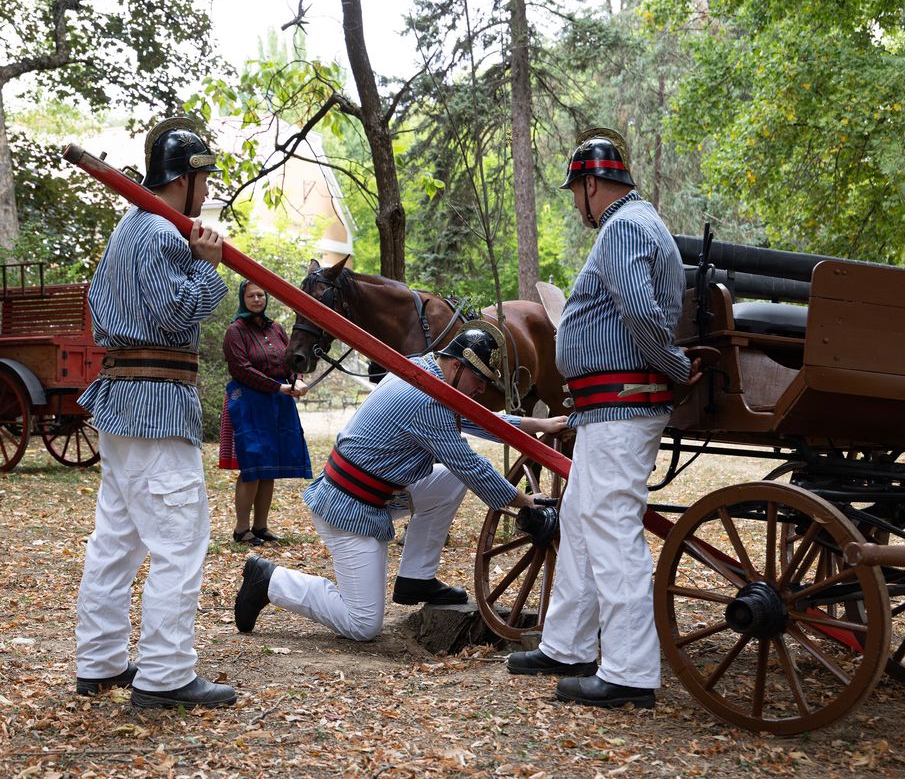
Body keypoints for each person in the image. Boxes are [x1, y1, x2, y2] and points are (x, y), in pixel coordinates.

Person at [506, 128, 701, 709]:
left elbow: (641, 312)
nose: (575, 204)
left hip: (623, 404)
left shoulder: (623, 226)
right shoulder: (636, 224)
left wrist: (672, 365)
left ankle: (631, 672)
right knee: (582, 517)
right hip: (606, 406)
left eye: (575, 192)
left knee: (612, 528)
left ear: (593, 185)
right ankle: (566, 645)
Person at [233, 325, 570, 642]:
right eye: (479, 379)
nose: (483, 388)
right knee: (363, 623)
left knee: (450, 479)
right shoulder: (426, 401)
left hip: (376, 493)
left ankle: (416, 579)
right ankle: (271, 581)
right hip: (349, 507)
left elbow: (472, 418)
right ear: (454, 366)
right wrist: (527, 502)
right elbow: (471, 465)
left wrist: (539, 423)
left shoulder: (421, 371)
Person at [73, 116, 237, 710]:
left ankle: (99, 659)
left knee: (117, 541)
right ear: (187, 180)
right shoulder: (165, 235)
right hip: (155, 405)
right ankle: (166, 675)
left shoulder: (127, 231)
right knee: (179, 541)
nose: (209, 191)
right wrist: (206, 264)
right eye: (206, 179)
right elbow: (176, 315)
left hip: (123, 402)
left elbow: (102, 304)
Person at [218, 280, 312, 546]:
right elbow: (241, 369)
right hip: (249, 404)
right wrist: (278, 386)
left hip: (279, 404)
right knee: (252, 466)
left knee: (268, 467)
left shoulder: (277, 329)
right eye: (252, 295)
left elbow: (291, 360)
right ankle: (241, 529)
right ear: (243, 297)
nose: (257, 299)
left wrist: (297, 380)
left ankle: (261, 526)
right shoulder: (235, 331)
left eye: (261, 294)